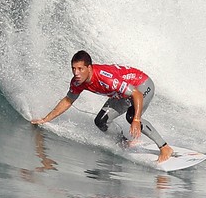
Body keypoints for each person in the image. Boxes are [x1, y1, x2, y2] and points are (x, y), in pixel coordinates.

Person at [31, 50, 174, 163]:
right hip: (121, 95)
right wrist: (45, 119)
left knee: (131, 117)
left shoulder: (106, 78)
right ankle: (124, 142)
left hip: (141, 86)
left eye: (80, 69)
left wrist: (136, 119)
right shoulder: (77, 82)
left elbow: (136, 94)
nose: (76, 73)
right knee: (101, 121)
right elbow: (68, 100)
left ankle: (165, 147)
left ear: (89, 68)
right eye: (73, 69)